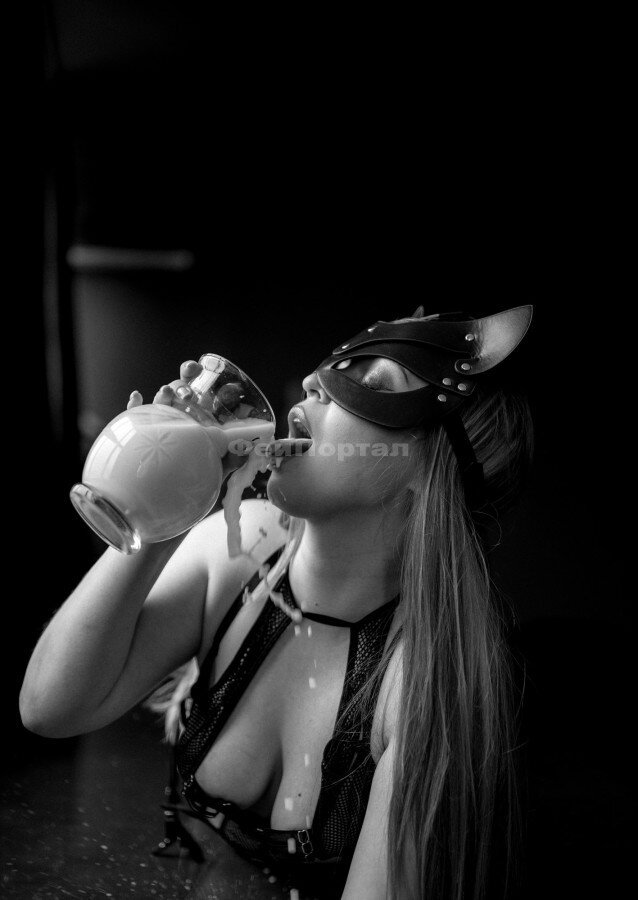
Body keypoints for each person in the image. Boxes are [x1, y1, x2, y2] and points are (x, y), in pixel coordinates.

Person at [19, 305, 534, 900]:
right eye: (333, 367)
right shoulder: (237, 554)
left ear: (424, 472)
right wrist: (164, 503)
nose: (315, 381)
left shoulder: (416, 683)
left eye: (372, 384)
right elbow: (50, 709)